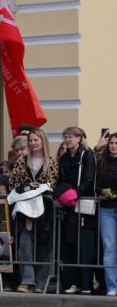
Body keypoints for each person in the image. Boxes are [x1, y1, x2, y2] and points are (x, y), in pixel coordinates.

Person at [9, 127, 58, 293]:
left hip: (44, 210)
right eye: (31, 140)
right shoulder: (22, 161)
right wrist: (27, 187)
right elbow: (13, 183)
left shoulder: (51, 162)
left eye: (36, 140)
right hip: (24, 210)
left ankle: (40, 282)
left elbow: (53, 185)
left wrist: (41, 188)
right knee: (24, 244)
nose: (33, 143)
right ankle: (27, 280)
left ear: (43, 141)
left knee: (43, 246)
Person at [57, 126, 98, 294]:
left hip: (84, 206)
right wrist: (61, 197)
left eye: (71, 136)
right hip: (68, 207)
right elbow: (60, 180)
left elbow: (89, 179)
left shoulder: (87, 155)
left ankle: (86, 284)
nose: (67, 139)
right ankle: (72, 282)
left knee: (85, 245)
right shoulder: (65, 158)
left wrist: (74, 193)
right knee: (69, 244)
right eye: (65, 136)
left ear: (79, 138)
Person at [96, 132, 117, 296]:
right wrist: (102, 190)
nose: (113, 146)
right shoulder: (102, 162)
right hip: (107, 209)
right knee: (109, 247)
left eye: (116, 143)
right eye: (111, 143)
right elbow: (95, 184)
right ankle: (112, 286)